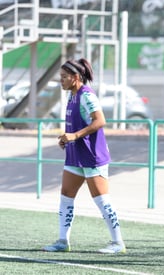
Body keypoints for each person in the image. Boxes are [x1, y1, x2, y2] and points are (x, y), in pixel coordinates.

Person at [43, 58, 126, 254]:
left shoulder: (86, 95)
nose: (61, 80)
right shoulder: (72, 96)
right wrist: (66, 138)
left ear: (76, 77)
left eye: (64, 77)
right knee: (65, 196)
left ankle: (118, 243)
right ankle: (63, 241)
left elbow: (100, 121)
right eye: (60, 77)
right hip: (75, 155)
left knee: (101, 199)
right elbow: (76, 126)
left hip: (92, 155)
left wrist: (75, 135)